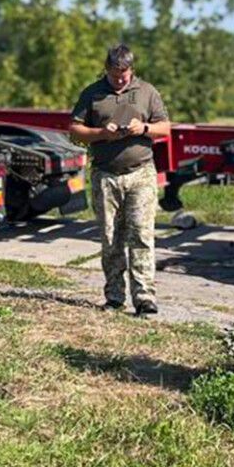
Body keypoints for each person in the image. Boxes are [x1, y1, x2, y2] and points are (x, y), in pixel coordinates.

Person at [69, 44, 172, 315]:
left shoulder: (147, 91)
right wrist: (103, 133)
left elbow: (165, 128)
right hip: (106, 175)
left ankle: (145, 297)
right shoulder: (92, 93)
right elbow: (75, 130)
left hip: (140, 173)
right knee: (110, 238)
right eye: (114, 76)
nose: (119, 81)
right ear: (106, 70)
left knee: (141, 235)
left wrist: (144, 128)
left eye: (124, 75)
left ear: (131, 70)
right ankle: (115, 296)